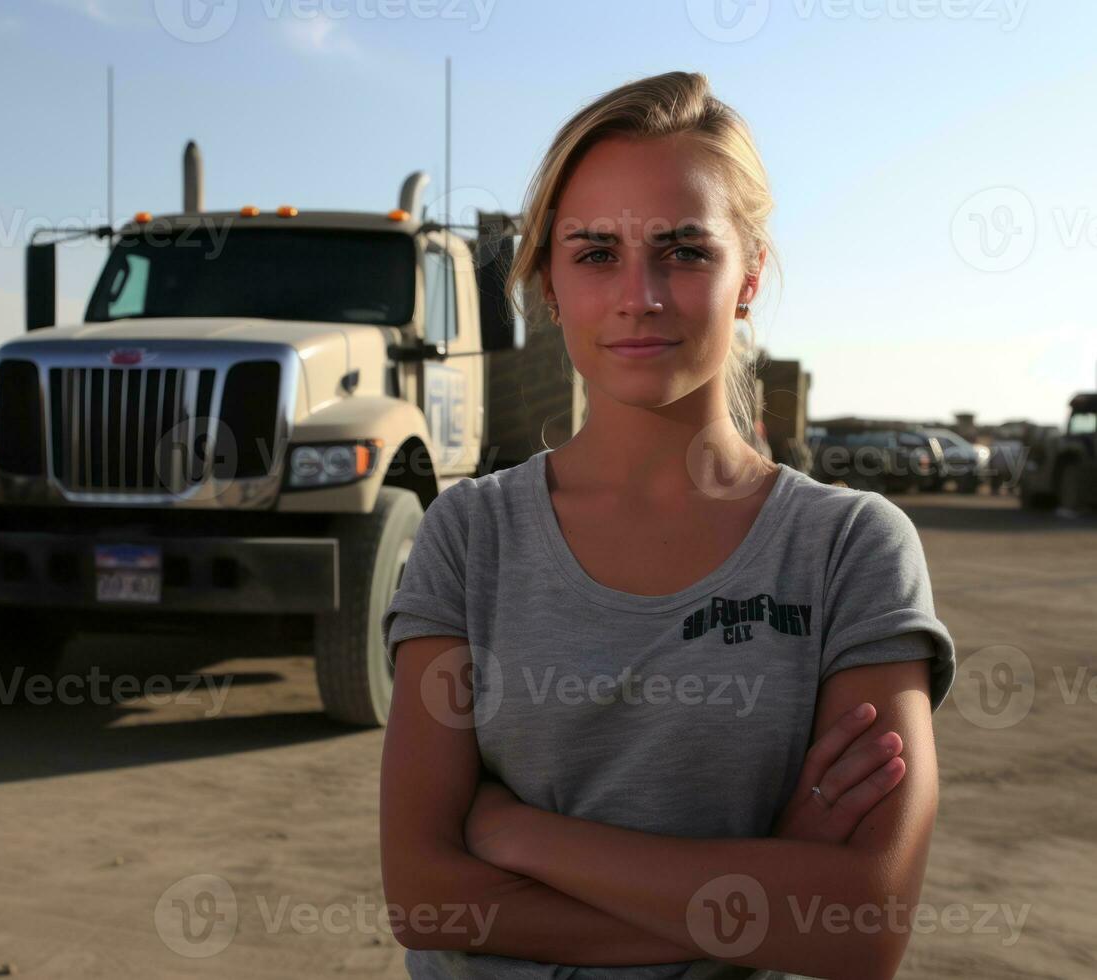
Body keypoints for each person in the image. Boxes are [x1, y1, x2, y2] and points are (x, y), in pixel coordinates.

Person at [379, 71, 956, 980]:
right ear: (548, 282)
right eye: (596, 251)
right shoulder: (467, 538)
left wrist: (511, 831)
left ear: (748, 276)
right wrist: (758, 905)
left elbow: (860, 925)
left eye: (685, 250)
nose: (638, 295)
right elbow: (424, 894)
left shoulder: (847, 549)